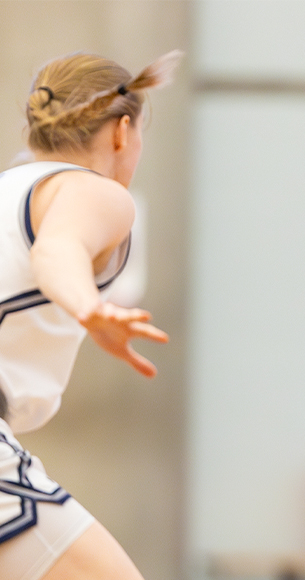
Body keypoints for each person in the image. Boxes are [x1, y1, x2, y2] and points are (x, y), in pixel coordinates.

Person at [0, 50, 179, 580]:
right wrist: (89, 307)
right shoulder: (95, 192)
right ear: (123, 131)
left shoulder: (11, 186)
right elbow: (56, 251)